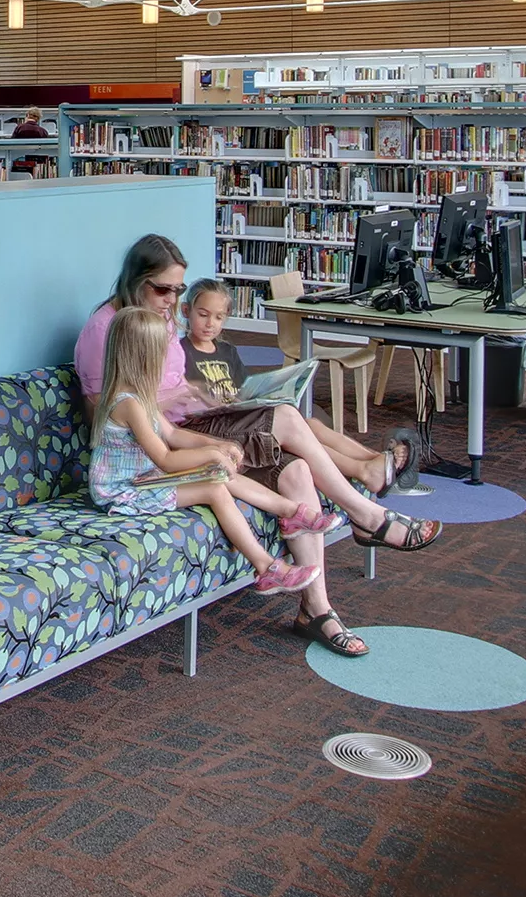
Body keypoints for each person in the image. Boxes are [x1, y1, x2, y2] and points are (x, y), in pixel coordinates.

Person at [77, 235, 442, 655]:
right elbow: (105, 414)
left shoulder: (157, 317)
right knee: (289, 419)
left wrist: (198, 395)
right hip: (154, 449)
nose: (172, 300)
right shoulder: (110, 330)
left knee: (298, 461)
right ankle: (366, 511)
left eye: (179, 290)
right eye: (163, 289)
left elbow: (169, 398)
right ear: (135, 280)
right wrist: (183, 409)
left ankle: (317, 608)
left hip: (191, 423)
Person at [89, 309, 328, 596]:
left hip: (145, 476)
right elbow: (166, 458)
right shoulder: (129, 404)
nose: (166, 362)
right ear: (144, 357)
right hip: (126, 488)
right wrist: (212, 455)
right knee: (215, 489)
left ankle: (291, 512)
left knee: (219, 474)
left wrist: (215, 446)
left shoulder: (140, 397)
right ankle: (266, 568)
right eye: (161, 354)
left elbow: (174, 434)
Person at [180, 277, 417, 490]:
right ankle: (362, 470)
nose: (210, 323)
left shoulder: (227, 350)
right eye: (203, 315)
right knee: (295, 432)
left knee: (311, 423)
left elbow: (244, 390)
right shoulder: (180, 352)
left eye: (219, 317)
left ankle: (376, 458)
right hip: (216, 425)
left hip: (238, 415)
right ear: (186, 311)